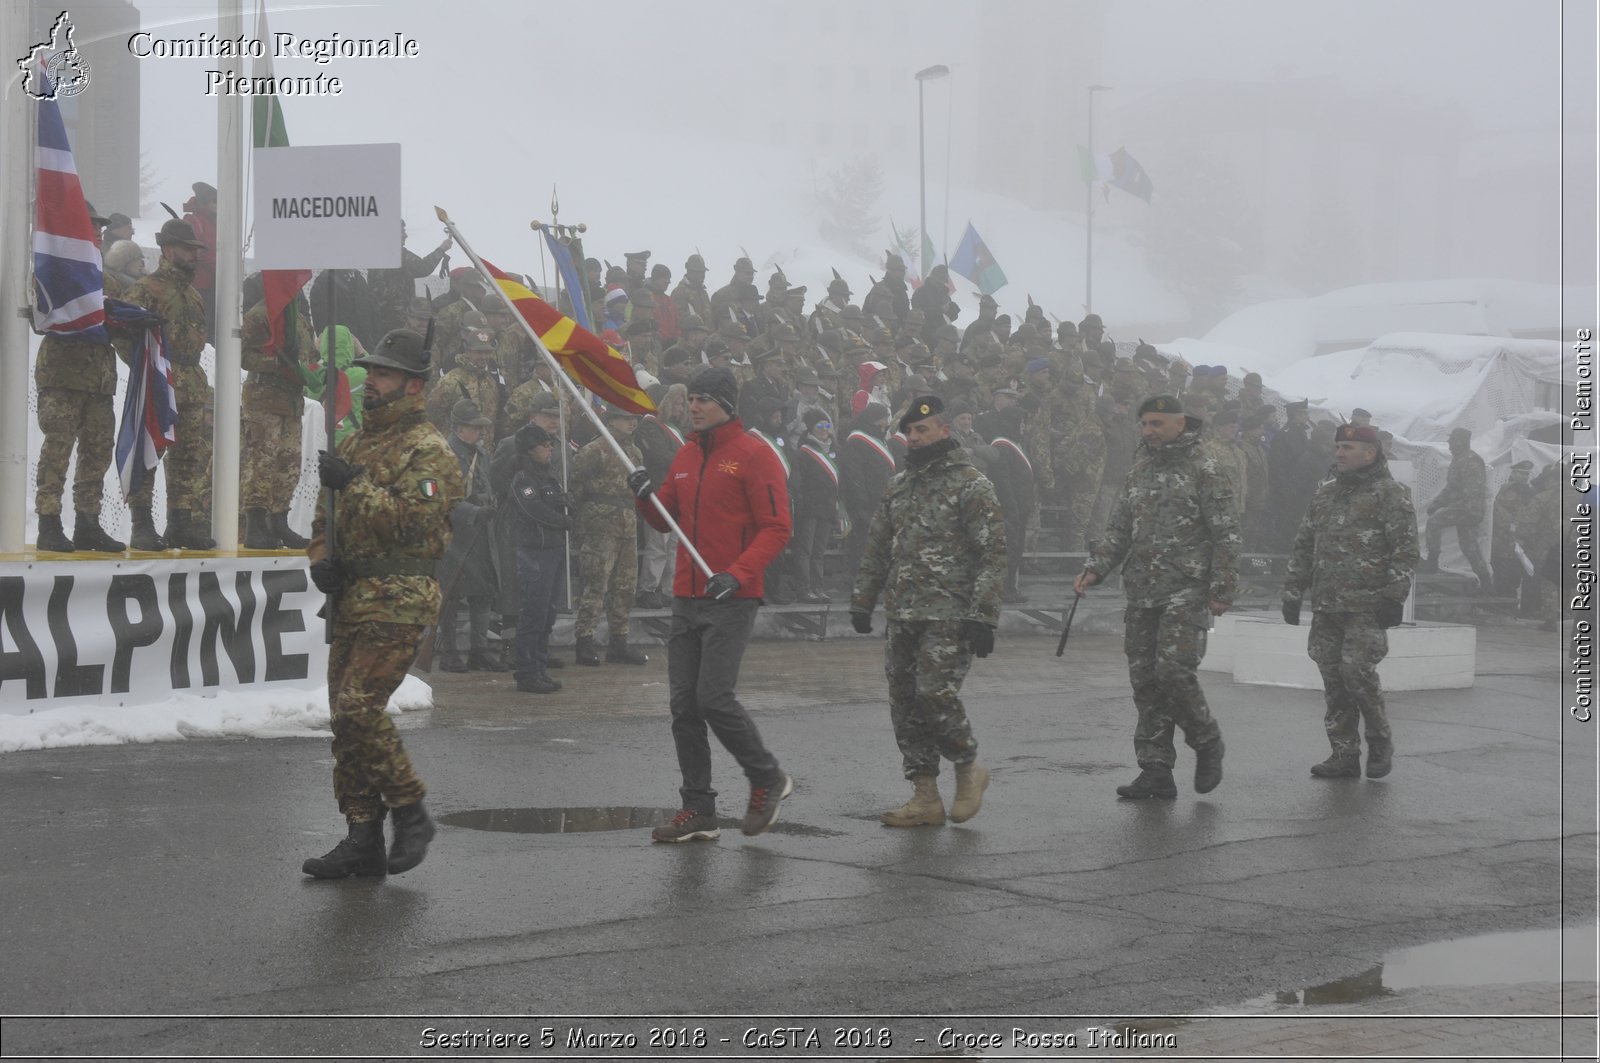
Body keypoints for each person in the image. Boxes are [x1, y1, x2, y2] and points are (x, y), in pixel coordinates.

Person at [303, 327, 463, 878]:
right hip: (353, 595)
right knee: (344, 723)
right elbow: (323, 519)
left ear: (414, 386)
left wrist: (355, 486)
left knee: (358, 708)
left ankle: (410, 808)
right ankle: (362, 834)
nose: (370, 382)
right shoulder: (354, 444)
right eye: (369, 372)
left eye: (385, 374)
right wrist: (321, 560)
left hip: (401, 594)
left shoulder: (430, 451)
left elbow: (416, 525)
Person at [629, 365, 794, 841]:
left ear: (726, 404)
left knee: (713, 698)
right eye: (691, 399)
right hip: (687, 595)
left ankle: (767, 777)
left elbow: (777, 527)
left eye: (703, 399)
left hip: (731, 597)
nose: (693, 407)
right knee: (684, 705)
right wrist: (644, 498)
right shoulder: (684, 455)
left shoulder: (754, 455)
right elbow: (665, 520)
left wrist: (737, 573)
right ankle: (698, 810)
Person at [850, 395, 1005, 827]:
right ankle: (924, 796)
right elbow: (878, 545)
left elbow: (991, 553)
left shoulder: (971, 484)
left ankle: (968, 765)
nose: (914, 438)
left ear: (944, 431)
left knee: (934, 694)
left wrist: (984, 615)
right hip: (903, 611)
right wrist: (863, 598)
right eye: (909, 432)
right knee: (904, 703)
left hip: (950, 613)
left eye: (922, 430)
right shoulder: (900, 485)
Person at [1075, 395, 1238, 800]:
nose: (1148, 431)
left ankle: (1206, 739)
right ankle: (1155, 770)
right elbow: (1119, 528)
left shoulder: (1207, 467)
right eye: (1144, 424)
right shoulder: (1140, 469)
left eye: (1157, 424)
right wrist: (1097, 568)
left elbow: (1226, 533)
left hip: (1187, 586)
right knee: (1145, 681)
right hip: (1143, 589)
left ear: (1180, 424)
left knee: (1173, 672)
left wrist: (1222, 587)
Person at [1281, 424, 1418, 779]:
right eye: (1338, 446)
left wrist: (1394, 596)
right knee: (1333, 679)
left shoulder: (1391, 494)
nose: (1340, 453)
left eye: (1349, 447)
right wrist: (1294, 590)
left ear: (1369, 453)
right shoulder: (1325, 494)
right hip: (1327, 604)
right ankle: (1343, 753)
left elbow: (1405, 551)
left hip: (1367, 605)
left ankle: (1379, 738)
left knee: (1356, 672)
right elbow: (1304, 543)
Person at [33, 218, 135, 554]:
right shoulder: (55, 273)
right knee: (58, 449)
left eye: (99, 230)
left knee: (97, 451)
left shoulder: (106, 279)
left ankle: (87, 523)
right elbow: (40, 316)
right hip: (63, 374)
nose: (97, 234)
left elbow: (118, 322)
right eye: (90, 227)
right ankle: (48, 523)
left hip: (99, 379)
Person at [118, 219, 213, 551]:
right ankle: (141, 524)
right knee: (150, 450)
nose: (193, 256)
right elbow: (120, 327)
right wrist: (145, 368)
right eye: (188, 249)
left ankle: (180, 523)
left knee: (190, 456)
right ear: (168, 250)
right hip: (162, 381)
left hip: (192, 381)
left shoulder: (192, 295)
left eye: (195, 250)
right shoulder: (147, 288)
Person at [239, 274, 315, 550]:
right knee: (261, 461)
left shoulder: (300, 321)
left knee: (289, 463)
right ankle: (255, 525)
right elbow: (242, 354)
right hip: (264, 396)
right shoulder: (259, 315)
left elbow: (310, 358)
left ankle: (279, 521)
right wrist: (274, 362)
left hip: (292, 399)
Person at [571, 404, 650, 667]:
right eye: (625, 418)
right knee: (596, 582)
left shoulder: (634, 452)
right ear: (611, 420)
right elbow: (576, 484)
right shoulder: (594, 450)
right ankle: (584, 639)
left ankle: (619, 641)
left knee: (625, 586)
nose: (631, 423)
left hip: (627, 523)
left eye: (633, 419)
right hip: (599, 524)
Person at [435, 401, 503, 673]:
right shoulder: (444, 454)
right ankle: (449, 652)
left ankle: (479, 650)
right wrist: (474, 511)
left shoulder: (482, 454)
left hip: (479, 533)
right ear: (460, 428)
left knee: (482, 593)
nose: (481, 432)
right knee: (450, 595)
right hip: (452, 533)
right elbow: (441, 498)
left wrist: (487, 506)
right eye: (475, 428)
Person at [508, 423, 571, 694]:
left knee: (548, 614)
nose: (549, 449)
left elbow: (554, 501)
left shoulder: (548, 477)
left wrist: (564, 502)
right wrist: (562, 519)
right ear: (530, 450)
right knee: (534, 613)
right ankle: (527, 671)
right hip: (535, 552)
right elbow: (533, 510)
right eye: (544, 445)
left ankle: (540, 667)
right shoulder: (523, 479)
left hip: (553, 549)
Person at [1422, 427, 1493, 590]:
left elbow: (1472, 491)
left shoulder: (1470, 460)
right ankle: (1487, 583)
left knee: (1434, 522)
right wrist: (1437, 503)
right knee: (1469, 547)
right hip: (1465, 508)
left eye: (1452, 441)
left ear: (1461, 441)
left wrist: (1450, 507)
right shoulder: (1459, 459)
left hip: (1469, 509)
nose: (1449, 444)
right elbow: (1451, 487)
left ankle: (1432, 562)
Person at [790, 409, 840, 603]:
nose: (824, 429)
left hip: (827, 509)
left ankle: (818, 588)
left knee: (818, 552)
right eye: (820, 426)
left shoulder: (834, 451)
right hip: (809, 509)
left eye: (827, 425)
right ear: (811, 428)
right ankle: (804, 589)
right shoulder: (803, 453)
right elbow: (798, 483)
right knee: (805, 551)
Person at [1491, 460, 1540, 613]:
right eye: (1520, 473)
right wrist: (1517, 530)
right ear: (1513, 473)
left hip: (1525, 543)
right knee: (1504, 577)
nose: (1524, 476)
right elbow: (1501, 516)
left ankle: (1512, 609)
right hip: (1506, 542)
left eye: (1526, 474)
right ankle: (1503, 609)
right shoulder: (1506, 490)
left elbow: (1534, 514)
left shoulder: (1531, 492)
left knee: (1516, 577)